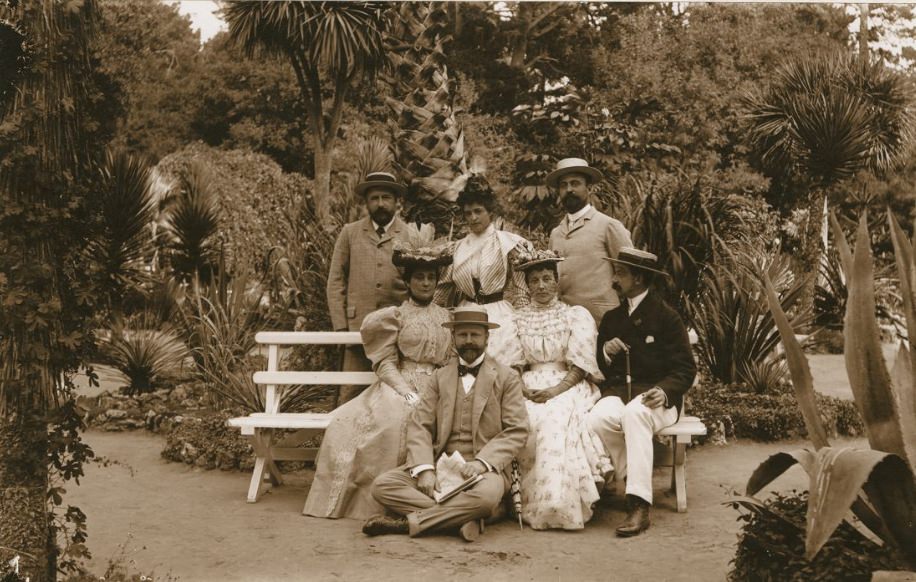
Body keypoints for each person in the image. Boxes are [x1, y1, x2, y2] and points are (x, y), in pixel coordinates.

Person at [304, 241, 455, 520]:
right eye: (419, 277)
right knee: (390, 420)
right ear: (407, 281)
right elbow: (385, 363)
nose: (425, 283)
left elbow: (450, 362)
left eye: (430, 277)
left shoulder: (447, 318)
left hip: (437, 385)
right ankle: (379, 500)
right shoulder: (395, 316)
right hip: (400, 383)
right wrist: (405, 390)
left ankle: (426, 494)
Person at [364, 306, 529, 542]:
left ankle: (408, 524)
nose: (469, 341)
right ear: (454, 338)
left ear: (487, 338)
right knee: (382, 486)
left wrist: (483, 463)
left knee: (486, 497)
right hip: (441, 465)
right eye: (463, 335)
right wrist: (425, 470)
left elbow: (517, 430)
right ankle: (469, 518)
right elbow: (420, 424)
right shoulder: (440, 377)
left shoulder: (506, 377)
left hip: (483, 470)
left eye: (475, 335)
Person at [587, 247, 697, 537]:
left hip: (657, 398)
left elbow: (685, 369)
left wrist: (665, 390)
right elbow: (599, 364)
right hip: (620, 393)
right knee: (595, 419)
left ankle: (638, 503)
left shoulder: (667, 317)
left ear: (638, 278)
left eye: (620, 273)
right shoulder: (612, 318)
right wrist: (606, 352)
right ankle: (632, 478)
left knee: (635, 413)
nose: (614, 278)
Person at [510, 249, 612, 530]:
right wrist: (521, 388)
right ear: (527, 285)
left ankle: (557, 501)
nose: (541, 286)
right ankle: (523, 499)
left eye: (546, 278)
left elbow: (580, 365)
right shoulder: (517, 318)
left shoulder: (574, 316)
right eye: (534, 280)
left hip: (567, 384)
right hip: (528, 385)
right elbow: (514, 364)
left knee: (555, 420)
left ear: (556, 281)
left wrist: (556, 390)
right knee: (524, 418)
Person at [327, 171, 411, 404]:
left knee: (396, 393)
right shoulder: (350, 233)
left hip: (397, 330)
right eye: (374, 198)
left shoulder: (410, 234)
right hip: (357, 329)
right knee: (350, 392)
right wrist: (340, 327)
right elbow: (335, 281)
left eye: (386, 197)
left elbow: (419, 283)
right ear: (366, 202)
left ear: (397, 201)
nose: (380, 204)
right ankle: (343, 441)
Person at [435, 175, 532, 362]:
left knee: (500, 364)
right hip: (465, 313)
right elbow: (442, 292)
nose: (473, 217)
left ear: (491, 212)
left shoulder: (510, 244)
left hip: (499, 313)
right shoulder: (456, 249)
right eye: (468, 213)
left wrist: (524, 325)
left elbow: (521, 292)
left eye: (478, 211)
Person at [547, 158, 633, 323]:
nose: (569, 189)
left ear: (590, 188)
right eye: (563, 185)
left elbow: (629, 275)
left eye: (575, 183)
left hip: (602, 322)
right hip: (563, 322)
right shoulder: (556, 233)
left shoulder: (608, 226)